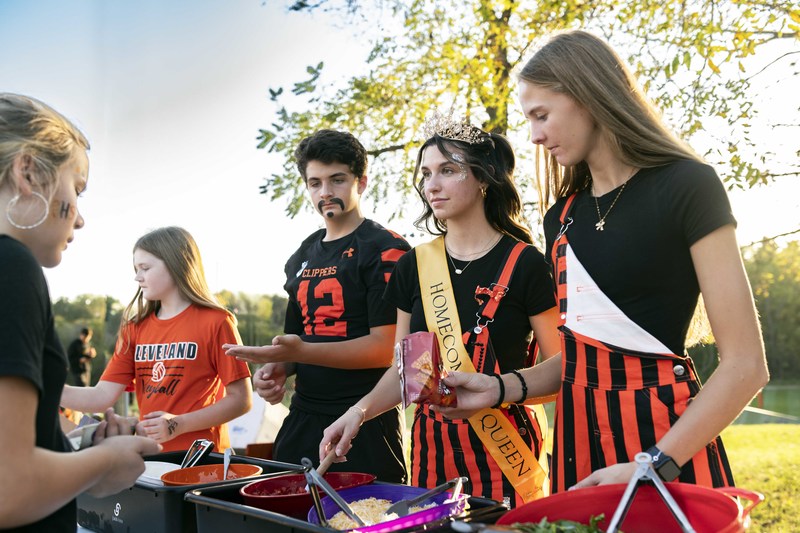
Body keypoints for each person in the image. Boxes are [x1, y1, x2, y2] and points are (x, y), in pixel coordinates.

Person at [436, 30, 769, 494]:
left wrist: (653, 465)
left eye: (541, 115)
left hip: (664, 449)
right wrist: (500, 387)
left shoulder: (689, 186)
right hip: (577, 452)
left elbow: (746, 366)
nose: (533, 136)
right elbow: (581, 357)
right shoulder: (561, 217)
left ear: (588, 96)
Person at [318, 116, 562, 508]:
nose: (432, 184)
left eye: (448, 170)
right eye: (427, 173)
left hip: (508, 450)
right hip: (433, 453)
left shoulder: (526, 263)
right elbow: (405, 371)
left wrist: (498, 389)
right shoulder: (413, 265)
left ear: (484, 178)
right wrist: (358, 413)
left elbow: (565, 367)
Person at [0, 93, 161, 531]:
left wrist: (76, 453)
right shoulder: (11, 267)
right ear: (28, 171)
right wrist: (103, 461)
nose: (81, 219)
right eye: (78, 188)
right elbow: (8, 489)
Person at [223, 129, 410, 483]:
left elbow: (386, 350)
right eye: (315, 182)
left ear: (362, 182)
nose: (325, 192)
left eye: (337, 180)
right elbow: (298, 339)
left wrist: (302, 352)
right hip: (304, 414)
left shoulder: (386, 248)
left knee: (365, 518)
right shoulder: (301, 256)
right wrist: (281, 368)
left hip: (365, 418)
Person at [61, 226, 253, 453]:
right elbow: (101, 396)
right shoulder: (134, 328)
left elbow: (241, 400)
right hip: (151, 460)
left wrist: (177, 424)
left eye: (145, 268)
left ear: (176, 264)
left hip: (202, 462)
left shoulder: (217, 321)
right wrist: (44, 389)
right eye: (135, 268)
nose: (137, 276)